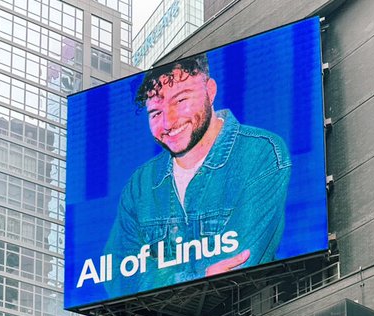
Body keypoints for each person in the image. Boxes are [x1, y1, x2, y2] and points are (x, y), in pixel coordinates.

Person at [103, 54, 291, 297]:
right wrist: (200, 277)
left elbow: (239, 262)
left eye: (180, 100)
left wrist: (155, 275)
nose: (169, 123)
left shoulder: (262, 152)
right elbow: (116, 276)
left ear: (210, 91)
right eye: (155, 113)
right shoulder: (140, 185)